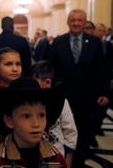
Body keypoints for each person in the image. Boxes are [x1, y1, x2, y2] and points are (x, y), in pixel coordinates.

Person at [46, 9, 109, 168]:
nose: (76, 23)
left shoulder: (94, 42)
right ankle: (63, 161)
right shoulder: (58, 42)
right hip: (62, 97)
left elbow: (101, 69)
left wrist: (104, 92)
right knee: (62, 131)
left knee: (84, 132)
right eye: (72, 20)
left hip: (88, 97)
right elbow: (50, 68)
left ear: (85, 23)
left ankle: (79, 162)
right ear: (68, 22)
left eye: (79, 20)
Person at [0, 78, 67, 168]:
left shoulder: (56, 158)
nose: (36, 124)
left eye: (41, 115)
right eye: (26, 116)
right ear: (9, 121)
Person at [27, 60, 78, 168]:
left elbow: (70, 133)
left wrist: (67, 162)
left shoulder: (61, 102)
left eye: (35, 82)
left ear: (48, 82)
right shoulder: (30, 101)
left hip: (56, 157)